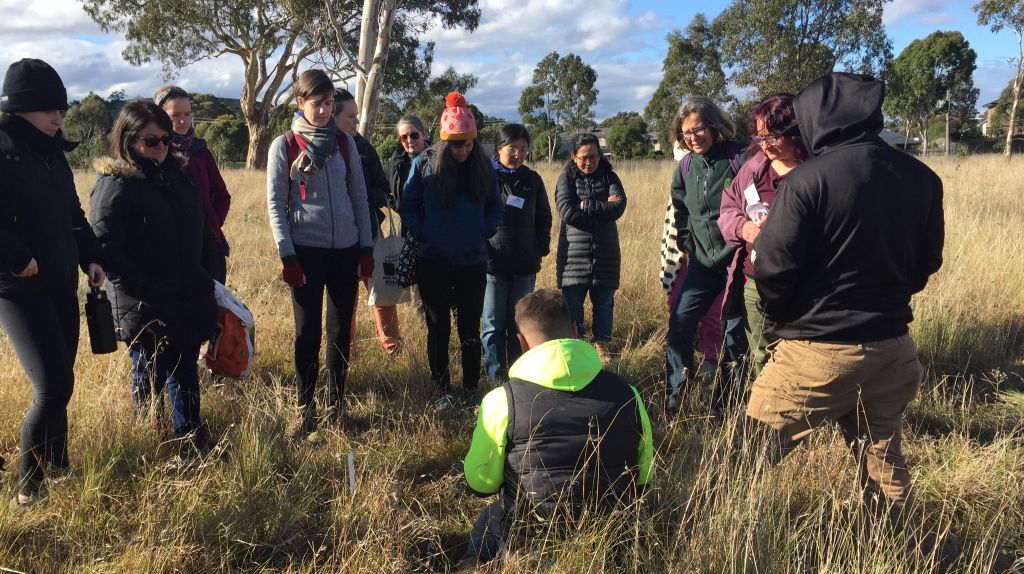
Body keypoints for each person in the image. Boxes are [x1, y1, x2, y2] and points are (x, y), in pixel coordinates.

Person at [746, 73, 944, 517]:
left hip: (817, 354)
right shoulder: (923, 178)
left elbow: (771, 269)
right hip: (894, 350)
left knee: (743, 456)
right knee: (883, 466)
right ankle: (904, 551)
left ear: (817, 118)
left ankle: (717, 548)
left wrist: (786, 321)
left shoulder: (807, 181)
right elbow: (928, 263)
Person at [460, 289, 653, 566]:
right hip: (612, 537)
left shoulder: (501, 400)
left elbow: (480, 484)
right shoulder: (629, 393)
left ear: (522, 343)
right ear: (575, 332)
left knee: (489, 519)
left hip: (532, 538)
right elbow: (643, 478)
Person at [0, 59, 106, 508]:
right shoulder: (2, 147)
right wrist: (16, 256)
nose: (58, 118)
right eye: (48, 109)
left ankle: (57, 463)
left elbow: (74, 216)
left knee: (64, 381)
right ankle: (29, 487)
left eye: (60, 109)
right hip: (17, 289)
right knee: (51, 384)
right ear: (19, 108)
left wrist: (92, 258)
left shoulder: (53, 153)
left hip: (62, 283)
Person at [89, 100, 218, 450]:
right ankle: (148, 443)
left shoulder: (177, 178)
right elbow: (105, 252)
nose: (161, 148)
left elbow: (203, 230)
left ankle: (190, 438)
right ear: (128, 141)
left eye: (166, 140)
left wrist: (209, 277)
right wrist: (149, 289)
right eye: (151, 141)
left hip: (186, 294)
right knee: (149, 374)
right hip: (144, 301)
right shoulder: (115, 186)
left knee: (185, 368)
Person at [266, 70, 374, 438]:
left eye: (330, 103)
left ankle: (336, 407)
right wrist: (288, 256)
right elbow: (275, 204)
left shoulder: (344, 143)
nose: (326, 110)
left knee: (340, 332)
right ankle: (304, 409)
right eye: (318, 104)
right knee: (307, 333)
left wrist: (366, 247)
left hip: (345, 250)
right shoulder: (284, 145)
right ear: (300, 102)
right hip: (306, 253)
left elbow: (358, 196)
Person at [399, 92, 503, 407]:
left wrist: (484, 231)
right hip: (433, 260)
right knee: (438, 327)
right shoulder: (424, 164)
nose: (463, 149)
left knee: (470, 326)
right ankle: (441, 386)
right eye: (457, 144)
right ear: (445, 141)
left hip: (472, 260)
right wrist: (425, 233)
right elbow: (408, 206)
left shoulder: (483, 166)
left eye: (468, 143)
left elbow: (495, 206)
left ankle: (471, 387)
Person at [664, 96, 748, 417]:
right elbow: (680, 208)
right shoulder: (685, 167)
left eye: (698, 129)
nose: (693, 137)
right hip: (702, 263)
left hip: (737, 263)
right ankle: (677, 402)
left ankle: (727, 409)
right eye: (686, 133)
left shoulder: (738, 158)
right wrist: (689, 242)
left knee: (734, 335)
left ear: (713, 126)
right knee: (681, 323)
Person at [717, 94, 807, 378]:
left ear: (795, 132)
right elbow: (728, 208)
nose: (765, 145)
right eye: (760, 137)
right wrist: (744, 228)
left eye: (773, 137)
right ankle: (768, 418)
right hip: (755, 281)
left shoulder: (816, 170)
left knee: (802, 356)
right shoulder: (755, 169)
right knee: (762, 355)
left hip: (803, 285)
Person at [334, 88, 403, 358]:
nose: (355, 120)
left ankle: (393, 351)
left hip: (370, 235)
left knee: (382, 296)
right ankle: (343, 356)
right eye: (350, 116)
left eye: (356, 115)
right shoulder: (324, 147)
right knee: (344, 303)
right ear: (333, 116)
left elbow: (383, 190)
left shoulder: (364, 147)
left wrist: (360, 191)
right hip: (338, 240)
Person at [482, 123, 552, 381]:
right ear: (499, 148)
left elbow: (545, 217)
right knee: (492, 324)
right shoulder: (486, 177)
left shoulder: (532, 179)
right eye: (513, 148)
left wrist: (540, 247)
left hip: (524, 264)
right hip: (492, 264)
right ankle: (494, 375)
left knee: (520, 323)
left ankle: (518, 374)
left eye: (523, 149)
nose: (519, 154)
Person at [554, 133, 626, 363]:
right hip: (573, 258)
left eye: (593, 157)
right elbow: (567, 212)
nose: (589, 162)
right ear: (574, 157)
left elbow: (619, 206)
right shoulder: (565, 179)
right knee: (572, 307)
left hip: (605, 254)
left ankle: (602, 348)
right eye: (583, 157)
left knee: (604, 305)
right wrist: (602, 213)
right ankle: (576, 352)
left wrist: (587, 206)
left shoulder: (610, 177)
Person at [153, 85, 232, 284]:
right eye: (175, 115)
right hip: (171, 252)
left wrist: (213, 223)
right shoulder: (157, 153)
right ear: (160, 116)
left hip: (210, 248)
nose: (183, 121)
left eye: (187, 114)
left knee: (214, 310)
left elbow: (223, 195)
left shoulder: (201, 151)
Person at [659, 200, 725, 377]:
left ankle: (710, 358)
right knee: (676, 306)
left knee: (713, 312)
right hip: (681, 257)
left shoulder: (722, 180)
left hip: (712, 256)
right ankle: (680, 364)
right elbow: (670, 228)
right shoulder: (682, 177)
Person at [385, 115, 429, 211]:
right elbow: (379, 187)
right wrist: (399, 208)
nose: (409, 140)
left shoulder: (439, 159)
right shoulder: (395, 163)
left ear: (424, 134)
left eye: (414, 135)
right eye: (404, 137)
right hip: (407, 224)